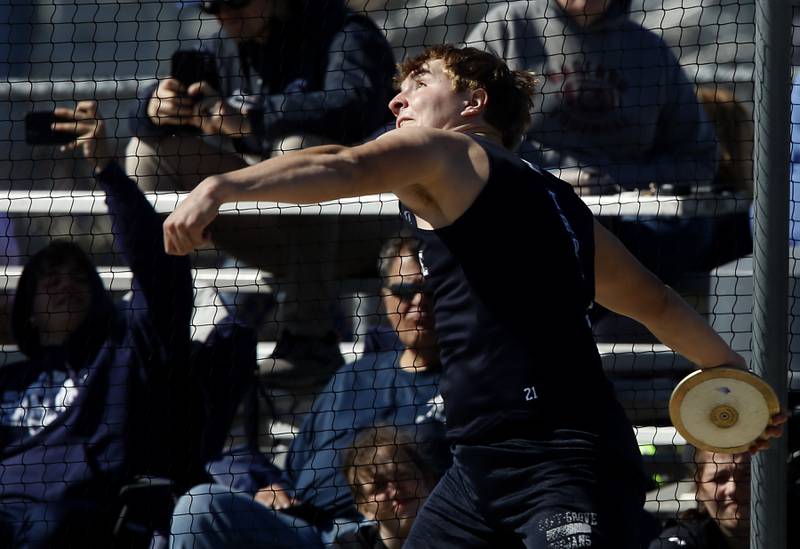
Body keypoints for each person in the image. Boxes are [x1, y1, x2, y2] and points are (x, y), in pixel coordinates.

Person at [161, 45, 783, 548]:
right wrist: (736, 382)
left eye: (419, 83)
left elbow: (344, 167)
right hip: (481, 468)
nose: (396, 98)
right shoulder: (559, 200)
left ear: (472, 104)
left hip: (561, 463)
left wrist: (222, 183)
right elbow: (655, 302)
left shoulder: (451, 149)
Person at [127, 0, 397, 395]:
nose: (224, 13)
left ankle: (310, 341)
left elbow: (357, 105)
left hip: (364, 228)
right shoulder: (224, 44)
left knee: (295, 151)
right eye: (212, 7)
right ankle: (157, 326)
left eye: (233, 2)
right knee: (145, 152)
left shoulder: (345, 31)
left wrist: (254, 116)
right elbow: (159, 115)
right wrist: (154, 106)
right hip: (276, 230)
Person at [170, 235, 447, 547]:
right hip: (305, 528)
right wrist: (273, 489)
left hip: (385, 534)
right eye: (406, 290)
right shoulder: (351, 378)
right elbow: (293, 472)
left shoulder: (464, 384)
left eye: (430, 289)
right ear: (385, 296)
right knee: (199, 506)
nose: (419, 301)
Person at [0, 101, 193, 547]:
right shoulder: (8, 379)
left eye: (78, 276)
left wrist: (107, 169)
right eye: (50, 277)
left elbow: (158, 271)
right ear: (27, 308)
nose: (65, 283)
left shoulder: (127, 351)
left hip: (82, 519)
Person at [464, 0, 718, 290]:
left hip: (629, 223)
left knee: (694, 230)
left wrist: (617, 180)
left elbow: (700, 158)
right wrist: (549, 178)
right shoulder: (506, 26)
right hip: (527, 210)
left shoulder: (650, 51)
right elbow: (464, 133)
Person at [334, 425, 441, 549]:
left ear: (428, 481)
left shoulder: (460, 531)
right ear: (364, 508)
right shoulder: (349, 546)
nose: (395, 491)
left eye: (403, 476)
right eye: (379, 486)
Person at [648, 450, 750, 549]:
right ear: (699, 488)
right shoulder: (680, 541)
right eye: (719, 478)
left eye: (746, 475)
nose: (732, 489)